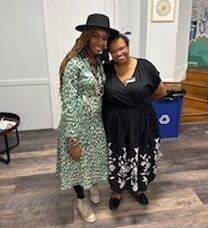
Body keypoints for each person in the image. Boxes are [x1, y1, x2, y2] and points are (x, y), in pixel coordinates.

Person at [56, 14, 118, 223]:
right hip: (77, 125)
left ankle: (92, 185)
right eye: (96, 37)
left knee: (93, 159)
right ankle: (81, 200)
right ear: (86, 37)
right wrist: (72, 139)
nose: (101, 43)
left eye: (104, 38)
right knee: (76, 164)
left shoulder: (99, 61)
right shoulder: (74, 64)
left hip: (95, 123)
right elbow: (69, 103)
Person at [102, 34, 167, 210]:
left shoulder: (145, 66)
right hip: (115, 124)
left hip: (142, 121)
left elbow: (161, 92)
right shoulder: (105, 69)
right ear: (109, 53)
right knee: (117, 155)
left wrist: (140, 104)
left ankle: (138, 190)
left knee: (140, 153)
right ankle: (117, 191)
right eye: (114, 51)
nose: (119, 53)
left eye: (122, 48)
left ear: (128, 46)